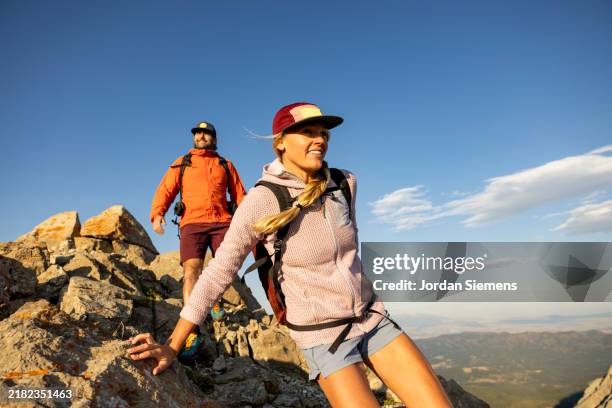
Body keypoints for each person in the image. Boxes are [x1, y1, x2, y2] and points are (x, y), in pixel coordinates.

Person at [132, 103, 452, 407]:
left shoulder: (343, 184)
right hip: (323, 337)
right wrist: (173, 346)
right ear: (281, 143)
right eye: (308, 132)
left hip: (372, 318)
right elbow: (217, 273)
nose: (319, 140)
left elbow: (348, 253)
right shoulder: (262, 200)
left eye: (323, 133)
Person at [149, 120, 247, 363]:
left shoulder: (225, 164)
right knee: (191, 270)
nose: (202, 136)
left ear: (214, 138)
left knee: (224, 267)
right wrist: (157, 214)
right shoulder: (182, 163)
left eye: (206, 133)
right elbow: (166, 189)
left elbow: (240, 194)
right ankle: (192, 330)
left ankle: (212, 302)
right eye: (198, 133)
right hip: (192, 222)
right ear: (194, 137)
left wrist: (249, 220)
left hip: (223, 222)